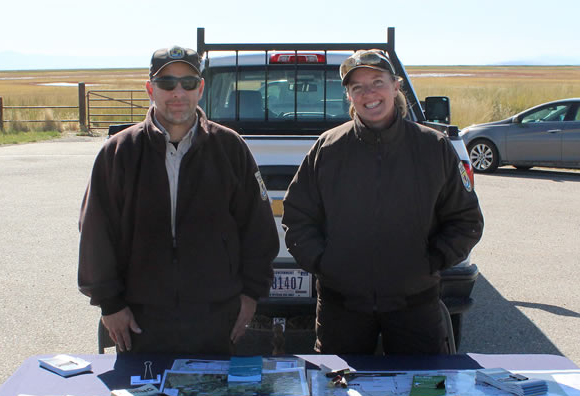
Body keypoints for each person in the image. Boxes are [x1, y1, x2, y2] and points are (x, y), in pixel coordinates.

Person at [281, 49, 484, 354]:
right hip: (342, 306)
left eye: (377, 82)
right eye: (357, 87)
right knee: (340, 395)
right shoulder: (329, 149)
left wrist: (429, 262)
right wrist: (326, 264)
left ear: (395, 86)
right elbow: (298, 217)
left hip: (415, 304)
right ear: (349, 97)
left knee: (424, 393)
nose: (369, 93)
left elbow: (466, 219)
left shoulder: (433, 147)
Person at [78, 45, 278, 354]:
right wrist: (110, 304)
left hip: (217, 314)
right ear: (150, 89)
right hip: (139, 318)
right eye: (167, 83)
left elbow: (258, 229)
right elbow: (95, 233)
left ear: (200, 88)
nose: (177, 93)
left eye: (187, 83)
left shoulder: (230, 148)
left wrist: (251, 296)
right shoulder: (119, 153)